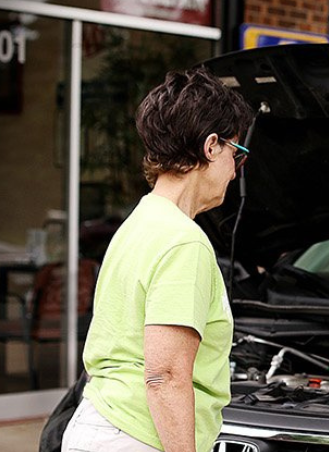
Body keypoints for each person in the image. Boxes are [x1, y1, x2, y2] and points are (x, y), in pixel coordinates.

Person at [62, 68, 253, 452]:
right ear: (211, 146)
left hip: (99, 421)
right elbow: (165, 375)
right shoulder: (184, 242)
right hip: (137, 438)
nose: (235, 172)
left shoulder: (139, 222)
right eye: (237, 153)